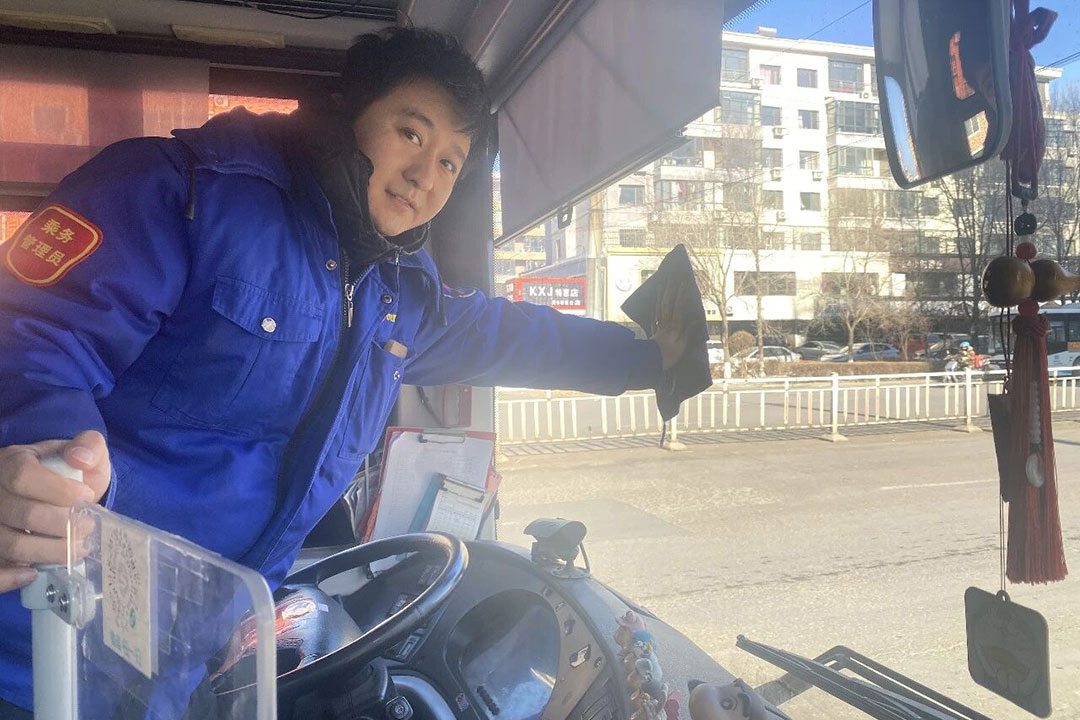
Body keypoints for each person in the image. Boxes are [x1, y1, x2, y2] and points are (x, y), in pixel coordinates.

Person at [0, 27, 697, 714]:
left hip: (184, 659)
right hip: (39, 641)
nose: (425, 175)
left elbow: (510, 336)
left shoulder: (397, 294)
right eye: (411, 133)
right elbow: (36, 342)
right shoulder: (181, 191)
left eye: (451, 162)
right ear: (346, 115)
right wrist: (49, 463)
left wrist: (648, 359)